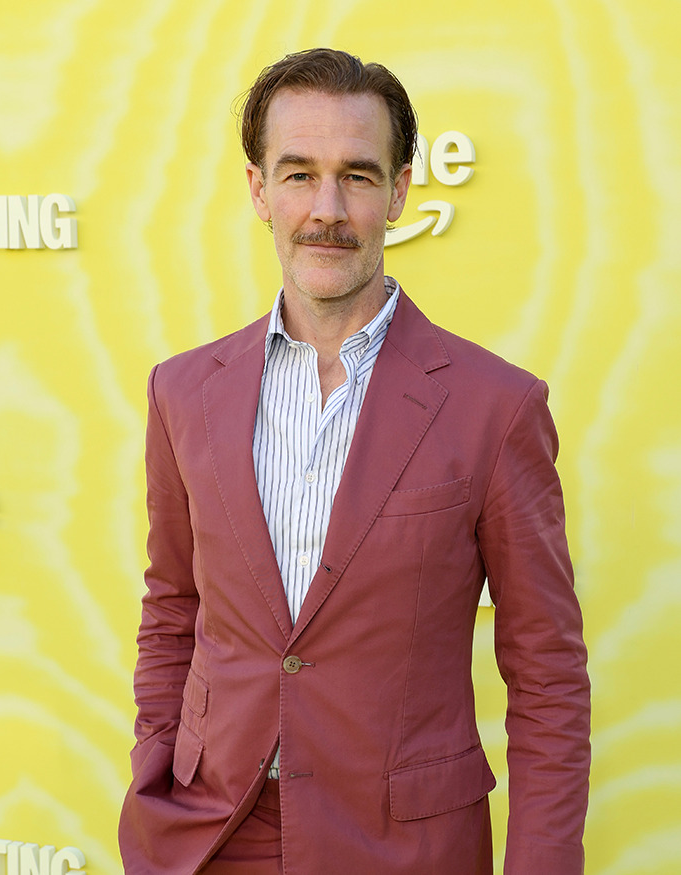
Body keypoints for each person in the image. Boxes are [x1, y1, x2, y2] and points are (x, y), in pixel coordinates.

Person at [118, 48, 590, 875]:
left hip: (403, 845)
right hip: (209, 832)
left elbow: (547, 674)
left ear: (400, 190)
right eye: (298, 173)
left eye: (358, 176)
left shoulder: (496, 406)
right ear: (259, 189)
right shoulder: (182, 391)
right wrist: (154, 769)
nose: (325, 209)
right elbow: (173, 608)